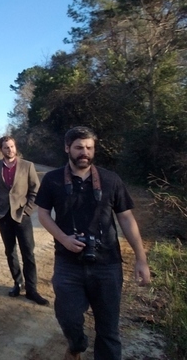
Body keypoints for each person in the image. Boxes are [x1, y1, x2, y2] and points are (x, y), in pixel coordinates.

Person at [36, 126, 150, 360]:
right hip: (68, 263)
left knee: (108, 330)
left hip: (107, 264)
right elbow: (43, 214)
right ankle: (76, 346)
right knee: (68, 319)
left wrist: (141, 259)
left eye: (89, 147)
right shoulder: (53, 179)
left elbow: (126, 218)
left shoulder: (110, 179)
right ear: (67, 148)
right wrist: (64, 239)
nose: (84, 152)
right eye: (79, 147)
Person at [0, 136, 49, 305]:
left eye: (12, 146)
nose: (10, 150)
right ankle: (17, 283)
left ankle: (32, 289)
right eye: (6, 147)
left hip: (22, 216)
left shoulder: (28, 166)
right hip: (3, 216)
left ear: (15, 147)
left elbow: (36, 189)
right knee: (10, 251)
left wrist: (28, 209)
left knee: (28, 252)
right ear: (1, 150)